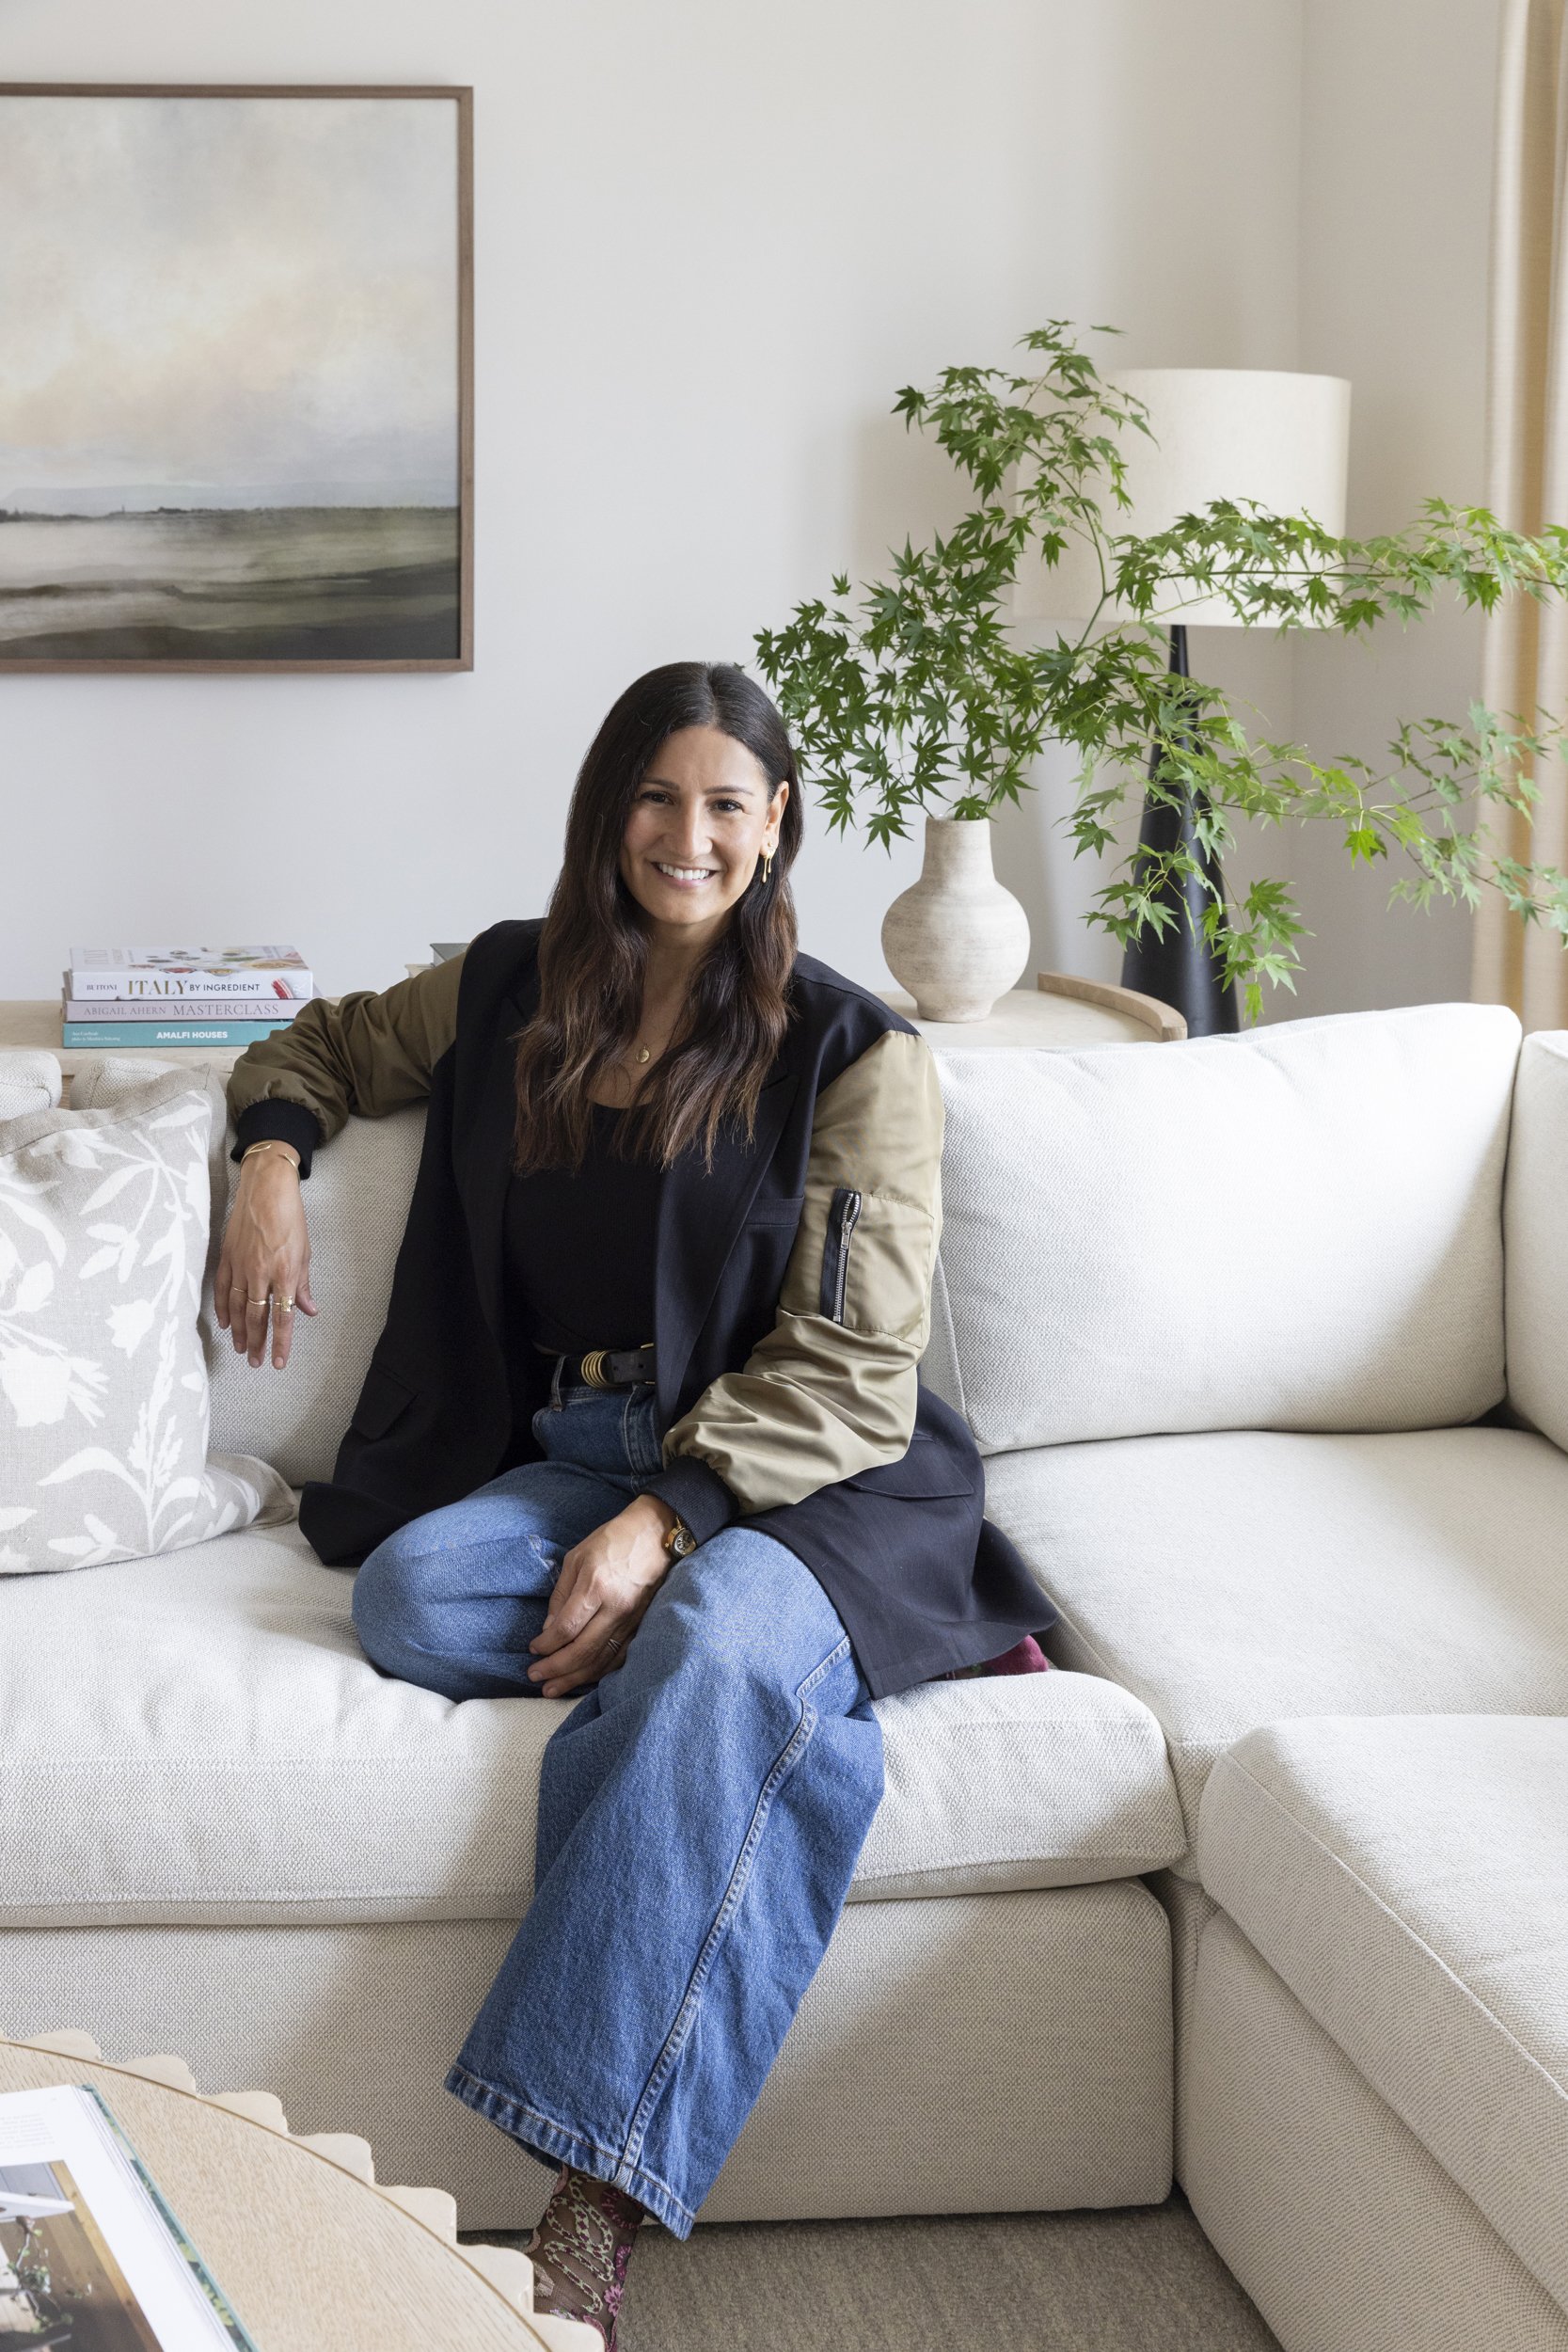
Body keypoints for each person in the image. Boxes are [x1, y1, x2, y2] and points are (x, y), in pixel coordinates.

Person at [215, 660, 1051, 2347]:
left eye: (726, 804)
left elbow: (855, 1361)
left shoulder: (851, 1051)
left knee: (720, 1651)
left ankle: (584, 2212)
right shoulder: (513, 988)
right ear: (609, 814)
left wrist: (668, 1525)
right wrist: (269, 1167)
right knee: (411, 1600)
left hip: (809, 1472)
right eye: (657, 799)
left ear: (777, 826)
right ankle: (771, 1677)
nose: (688, 835)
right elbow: (318, 1038)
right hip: (578, 1450)